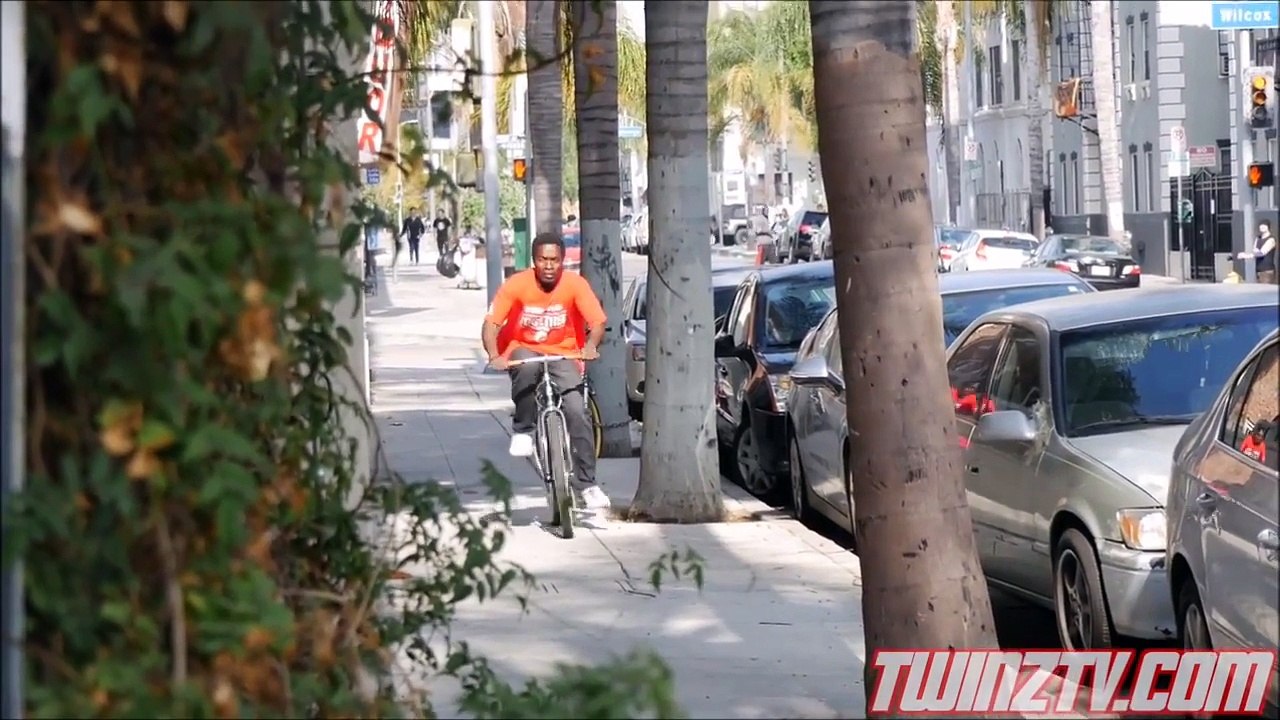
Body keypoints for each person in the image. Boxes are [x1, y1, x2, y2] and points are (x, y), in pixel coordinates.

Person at [481, 232, 612, 510]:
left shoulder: (575, 284)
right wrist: (494, 356)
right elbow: (491, 324)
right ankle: (524, 430)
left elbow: (597, 322)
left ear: (563, 260)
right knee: (526, 370)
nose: (549, 266)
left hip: (564, 353)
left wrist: (590, 346)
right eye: (543, 260)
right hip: (524, 347)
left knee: (578, 410)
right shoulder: (517, 284)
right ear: (534, 261)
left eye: (554, 260)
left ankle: (587, 484)